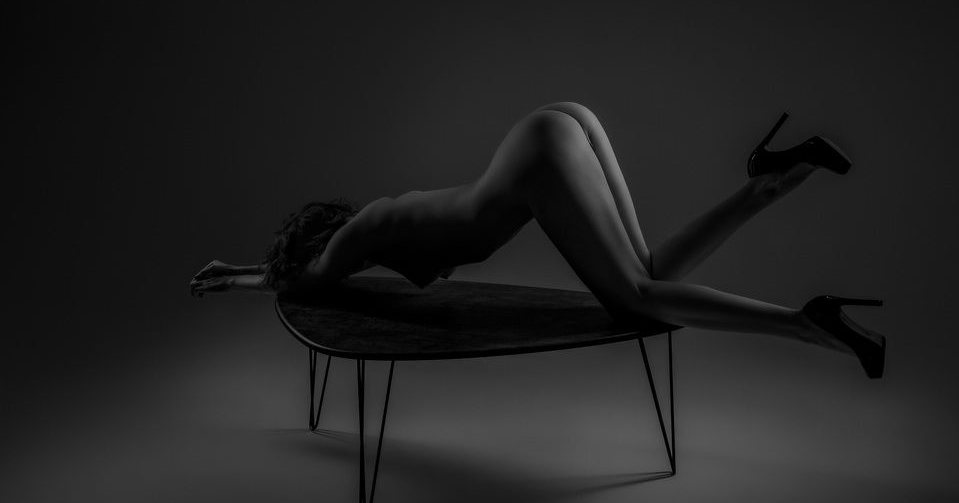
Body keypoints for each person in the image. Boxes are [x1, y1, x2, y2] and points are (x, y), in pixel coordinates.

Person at [190, 102, 886, 378]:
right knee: (648, 274)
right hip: (563, 122)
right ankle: (766, 182)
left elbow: (306, 281)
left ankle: (804, 324)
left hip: (537, 159)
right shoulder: (379, 224)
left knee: (637, 299)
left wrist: (238, 278)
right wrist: (240, 267)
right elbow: (308, 274)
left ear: (315, 243)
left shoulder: (357, 236)